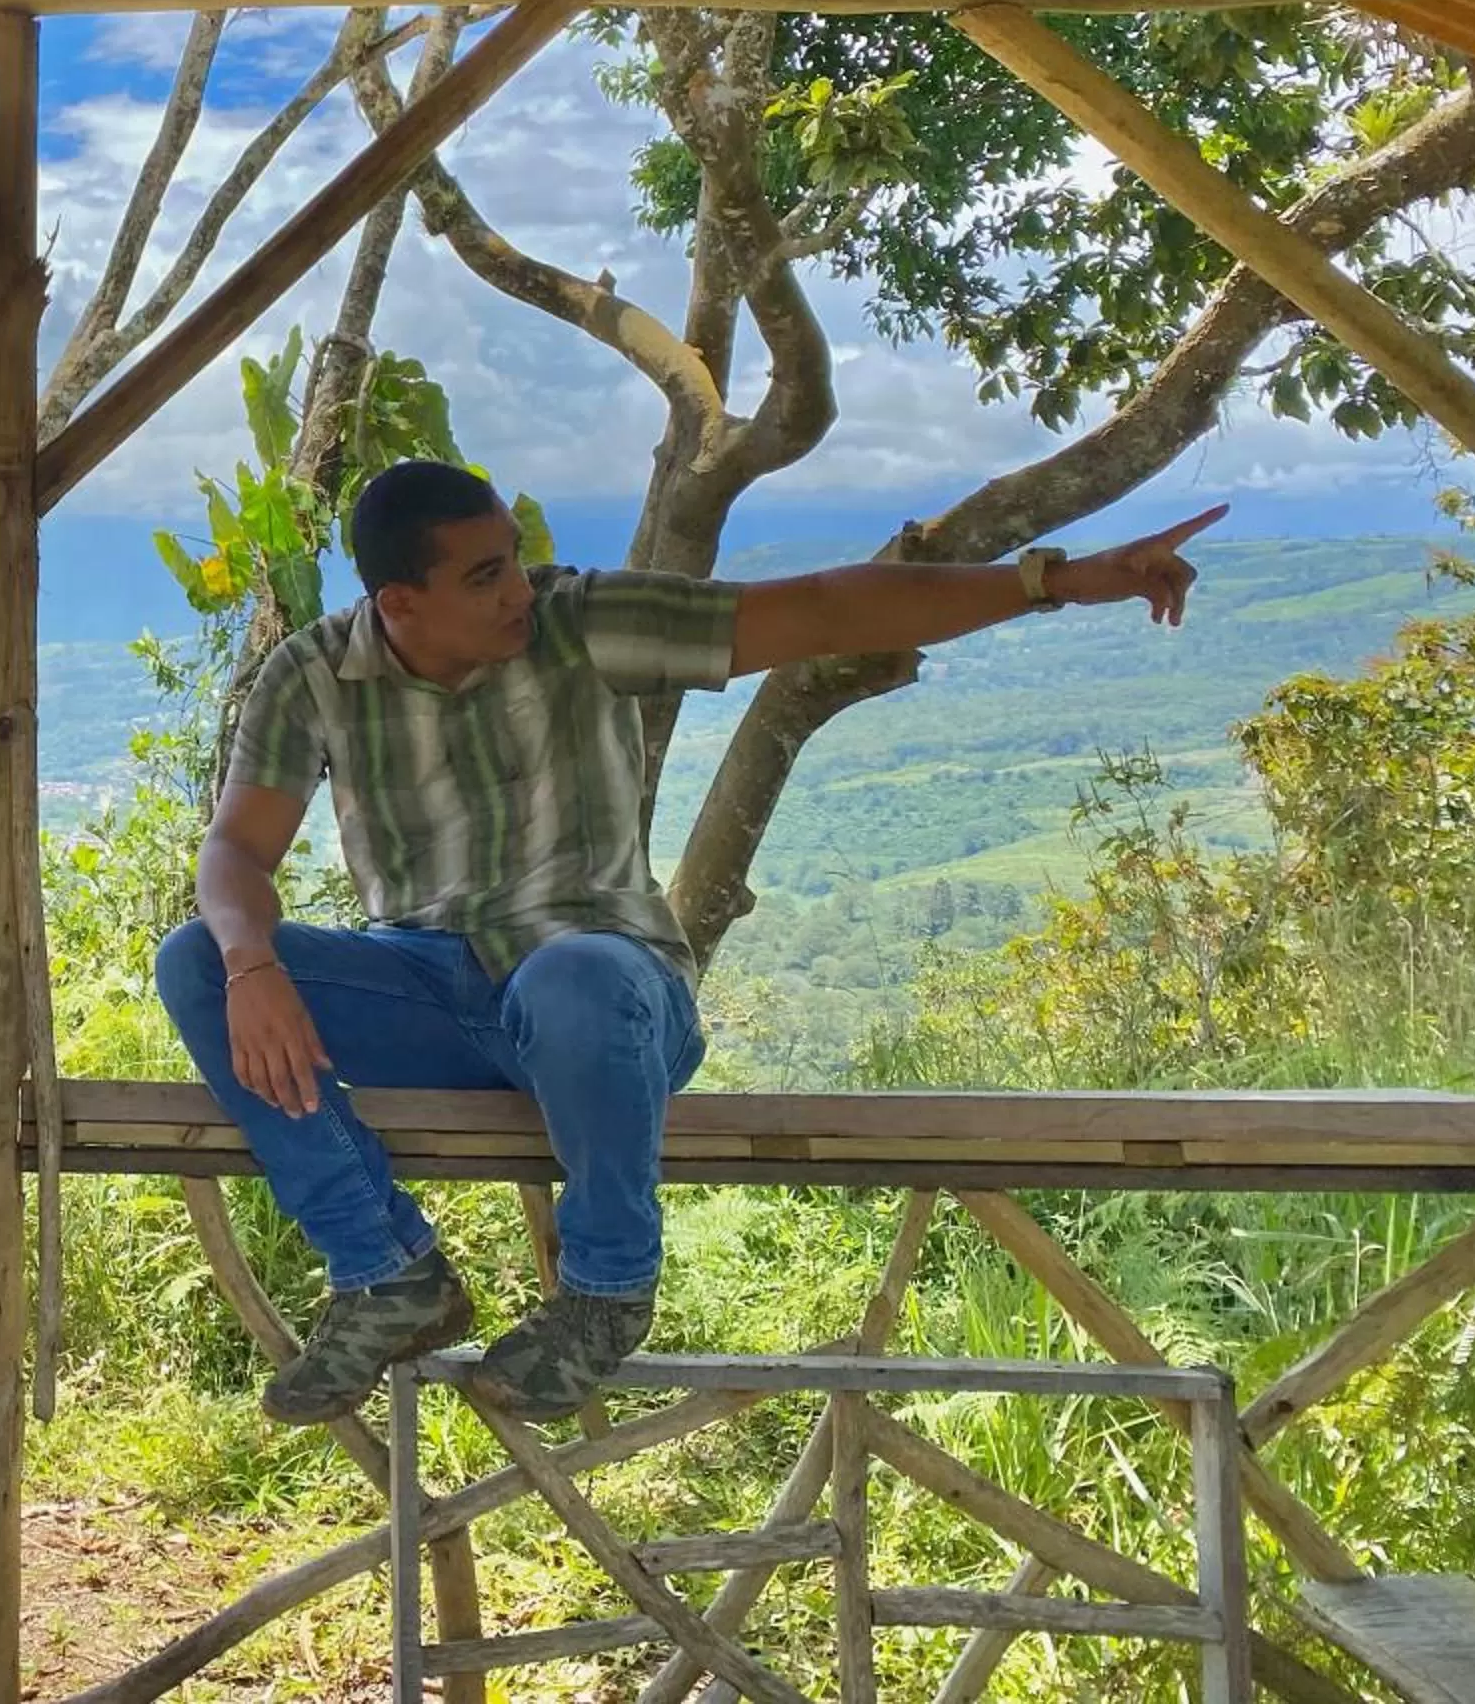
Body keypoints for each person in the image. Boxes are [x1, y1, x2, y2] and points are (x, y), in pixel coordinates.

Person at [160, 459, 1217, 1427]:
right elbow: (236, 854)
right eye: (485, 578)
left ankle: (606, 1292)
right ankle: (387, 1271)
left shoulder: (581, 620)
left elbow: (823, 607)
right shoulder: (313, 675)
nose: (519, 591)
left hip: (608, 990)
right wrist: (254, 968)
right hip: (434, 991)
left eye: (515, 562)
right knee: (198, 960)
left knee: (571, 974)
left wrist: (1052, 580)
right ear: (400, 603)